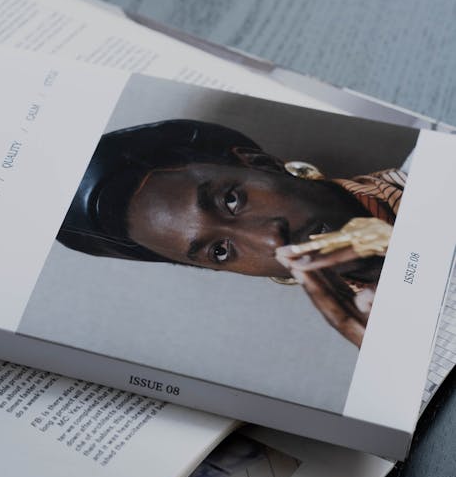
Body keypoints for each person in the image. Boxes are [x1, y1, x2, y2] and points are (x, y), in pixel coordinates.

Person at [57, 118, 406, 348]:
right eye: (220, 252)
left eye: (232, 200)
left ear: (261, 163)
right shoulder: (377, 338)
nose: (271, 240)